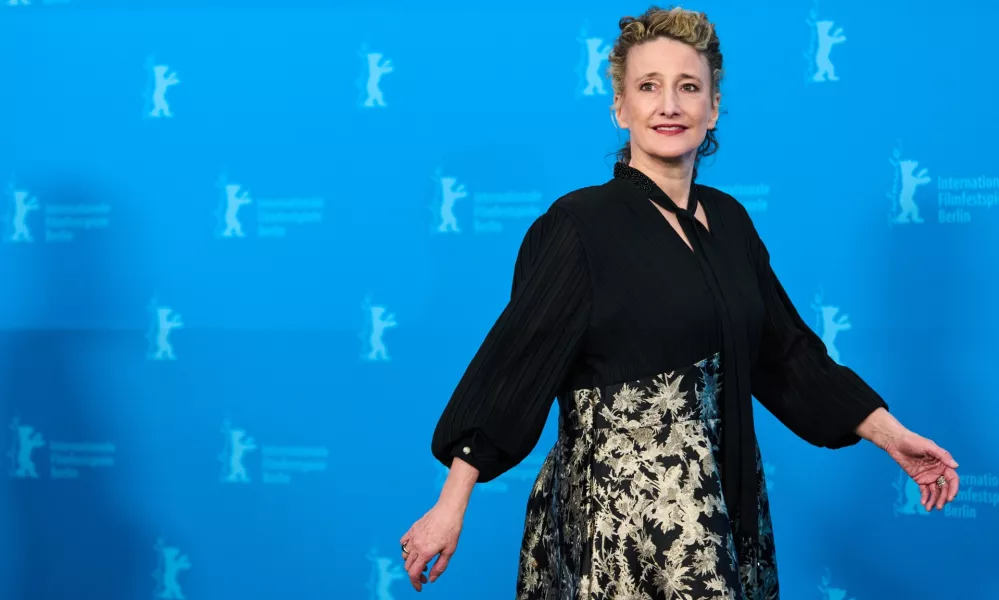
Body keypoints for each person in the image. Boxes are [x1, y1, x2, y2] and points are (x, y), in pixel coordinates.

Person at [399, 6, 961, 598]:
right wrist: (450, 505)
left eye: (688, 87)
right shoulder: (577, 226)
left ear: (713, 106)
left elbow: (788, 355)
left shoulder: (731, 222)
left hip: (722, 504)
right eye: (648, 87)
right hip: (621, 527)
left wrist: (891, 435)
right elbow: (514, 366)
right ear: (620, 107)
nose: (669, 104)